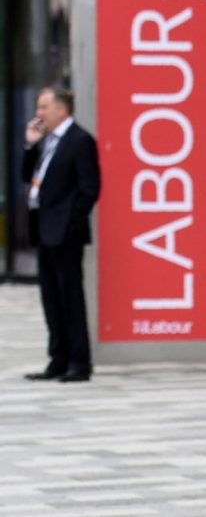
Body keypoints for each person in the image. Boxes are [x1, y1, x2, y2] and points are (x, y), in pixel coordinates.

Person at [22, 86, 101, 383]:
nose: (38, 114)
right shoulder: (47, 142)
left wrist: (70, 223)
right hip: (43, 230)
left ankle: (79, 363)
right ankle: (58, 359)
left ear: (61, 109)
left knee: (70, 297)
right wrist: (30, 146)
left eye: (44, 107)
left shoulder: (80, 141)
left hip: (65, 233)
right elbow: (27, 177)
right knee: (50, 297)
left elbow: (90, 189)